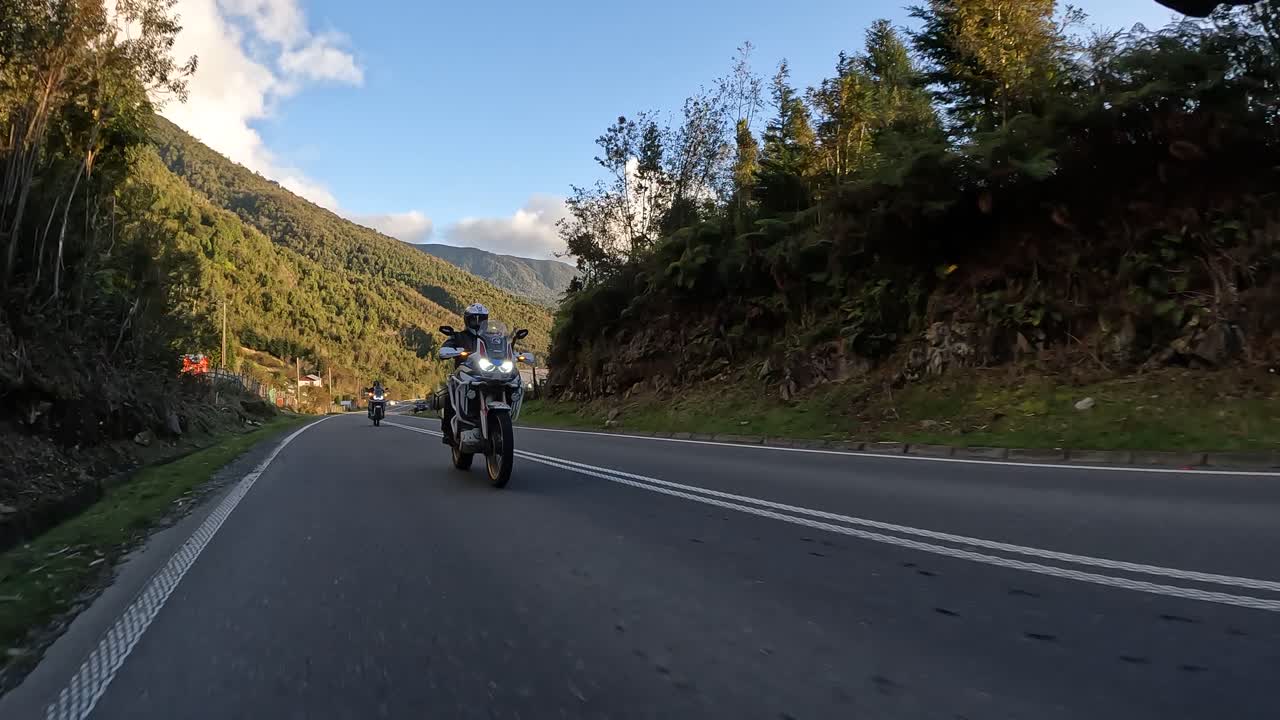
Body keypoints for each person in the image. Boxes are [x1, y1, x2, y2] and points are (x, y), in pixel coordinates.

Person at [439, 303, 489, 445]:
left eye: (482, 319)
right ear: (467, 320)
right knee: (451, 395)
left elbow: (503, 348)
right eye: (474, 319)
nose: (478, 323)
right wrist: (450, 351)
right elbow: (444, 350)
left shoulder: (491, 338)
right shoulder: (458, 336)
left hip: (487, 374)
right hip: (464, 375)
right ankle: (448, 431)